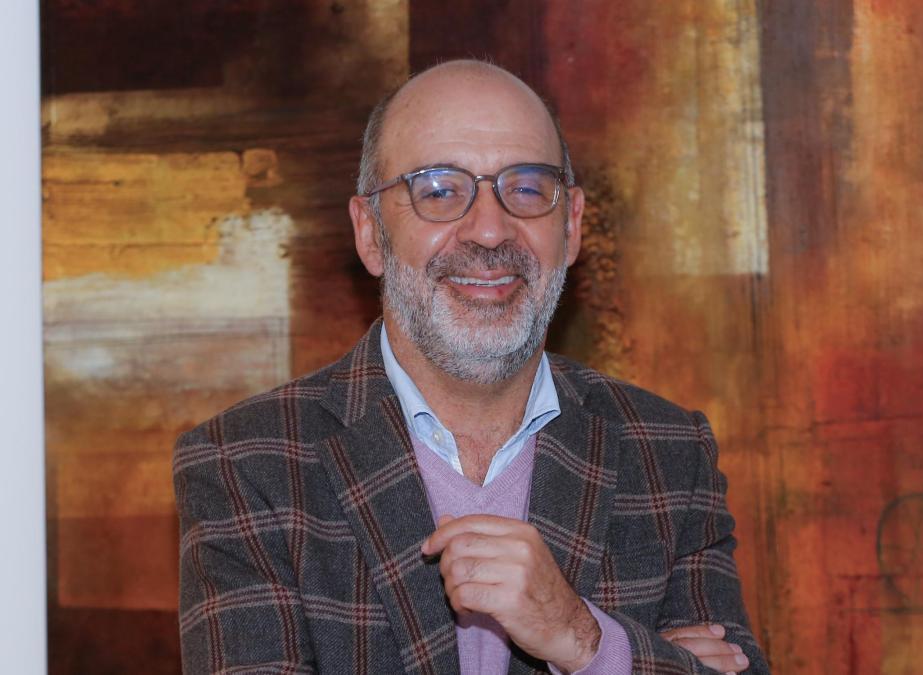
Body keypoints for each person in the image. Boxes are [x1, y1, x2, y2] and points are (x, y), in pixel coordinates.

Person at [174, 59, 770, 675]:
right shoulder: (245, 463)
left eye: (527, 189)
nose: (488, 230)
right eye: (438, 191)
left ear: (571, 226)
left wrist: (581, 637)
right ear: (371, 233)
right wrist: (641, 660)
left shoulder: (670, 451)